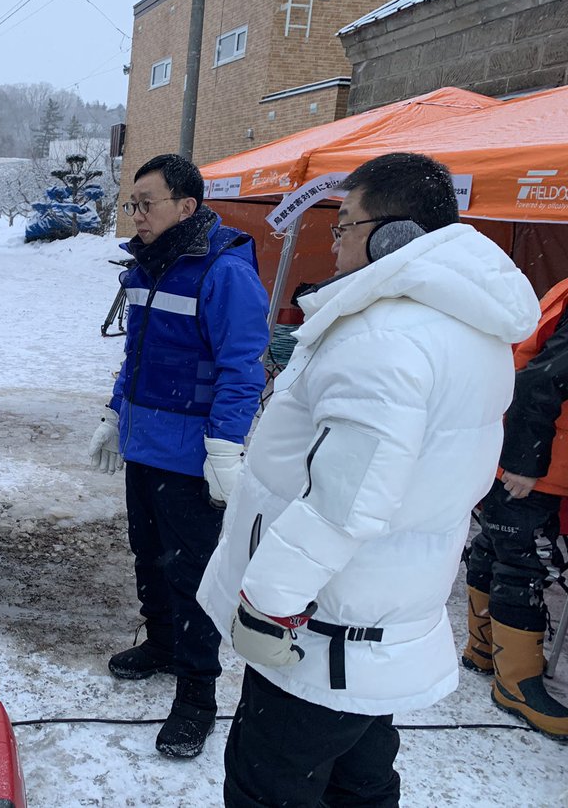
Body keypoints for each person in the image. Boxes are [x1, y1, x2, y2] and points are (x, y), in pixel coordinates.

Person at [197, 152, 540, 807]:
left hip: (319, 632)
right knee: (360, 785)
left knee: (267, 788)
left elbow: (343, 501)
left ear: (394, 235)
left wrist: (269, 602)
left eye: (345, 224)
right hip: (376, 623)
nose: (334, 242)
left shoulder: (384, 337)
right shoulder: (462, 326)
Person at [89, 153, 270, 759]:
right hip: (143, 445)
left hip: (192, 457)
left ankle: (197, 696)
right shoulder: (145, 267)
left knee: (192, 575)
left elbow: (242, 368)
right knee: (148, 554)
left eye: (147, 204)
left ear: (186, 206)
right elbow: (136, 357)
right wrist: (115, 414)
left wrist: (225, 445)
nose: (136, 215)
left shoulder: (224, 273)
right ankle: (162, 645)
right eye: (132, 204)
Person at [464, 275, 568, 739]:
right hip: (538, 458)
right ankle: (517, 685)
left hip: (518, 445)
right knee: (523, 561)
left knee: (496, 545)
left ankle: (483, 650)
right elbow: (542, 378)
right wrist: (525, 463)